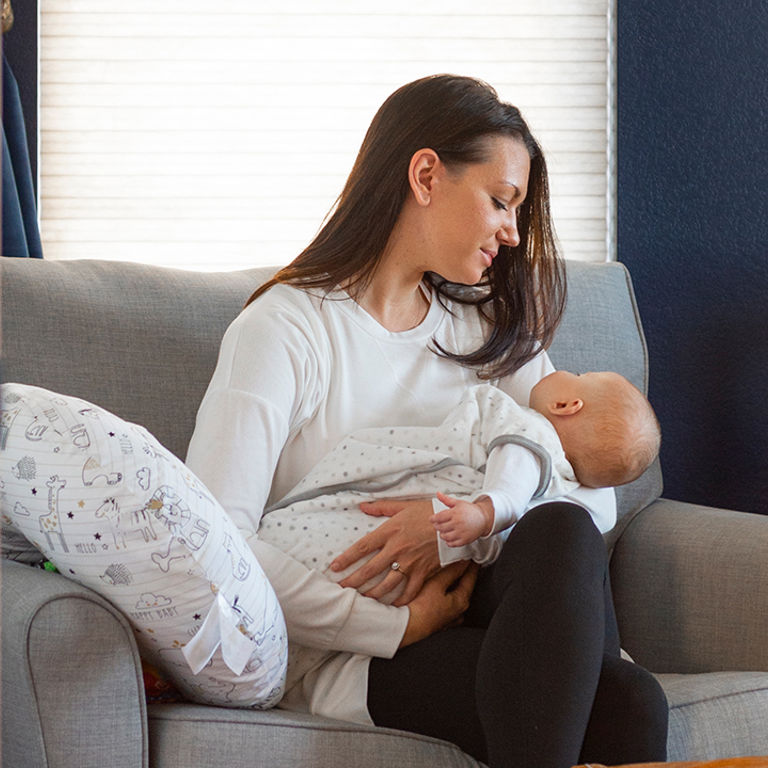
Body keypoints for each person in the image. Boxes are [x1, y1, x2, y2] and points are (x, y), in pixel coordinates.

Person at [186, 74, 668, 768]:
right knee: (624, 702)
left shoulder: (487, 326)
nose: (511, 231)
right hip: (363, 647)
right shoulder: (285, 330)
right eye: (501, 201)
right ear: (424, 175)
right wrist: (397, 621)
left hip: (490, 603)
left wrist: (453, 529)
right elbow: (216, 548)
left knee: (562, 531)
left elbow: (591, 492)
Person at [433, 370, 661, 548]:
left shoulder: (533, 437)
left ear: (564, 406)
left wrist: (483, 514)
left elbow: (510, 491)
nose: (567, 371)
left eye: (579, 375)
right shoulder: (562, 476)